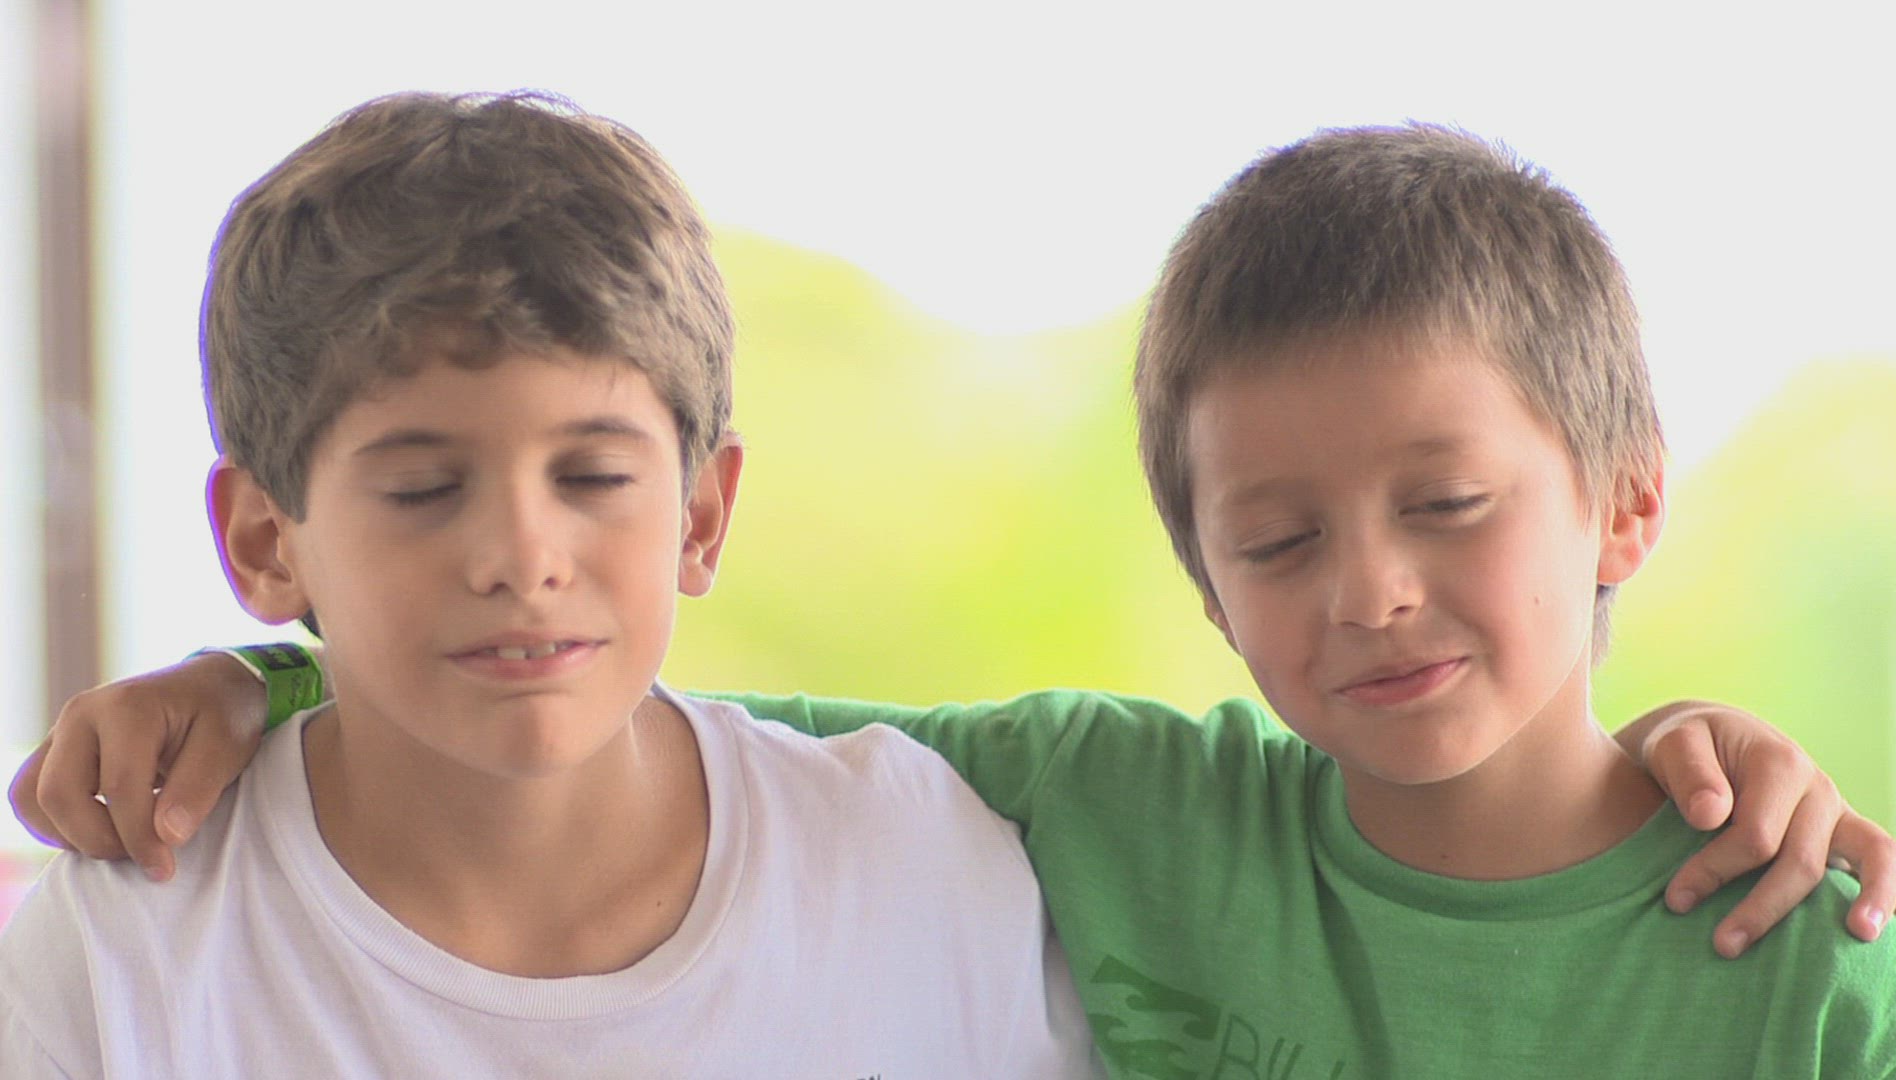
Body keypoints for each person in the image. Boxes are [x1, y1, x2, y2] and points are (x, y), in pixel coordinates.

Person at [11, 122, 1896, 1073]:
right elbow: (586, 715)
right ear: (1205, 584)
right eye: (1276, 541)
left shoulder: (1820, 965)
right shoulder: (1111, 808)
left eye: (1448, 506)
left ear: (1628, 503)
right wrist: (257, 679)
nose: (1373, 590)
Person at [0, 91, 1099, 1078]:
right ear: (263, 541)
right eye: (425, 489)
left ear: (700, 516)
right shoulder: (118, 962)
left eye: (593, 477)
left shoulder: (914, 869)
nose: (524, 557)